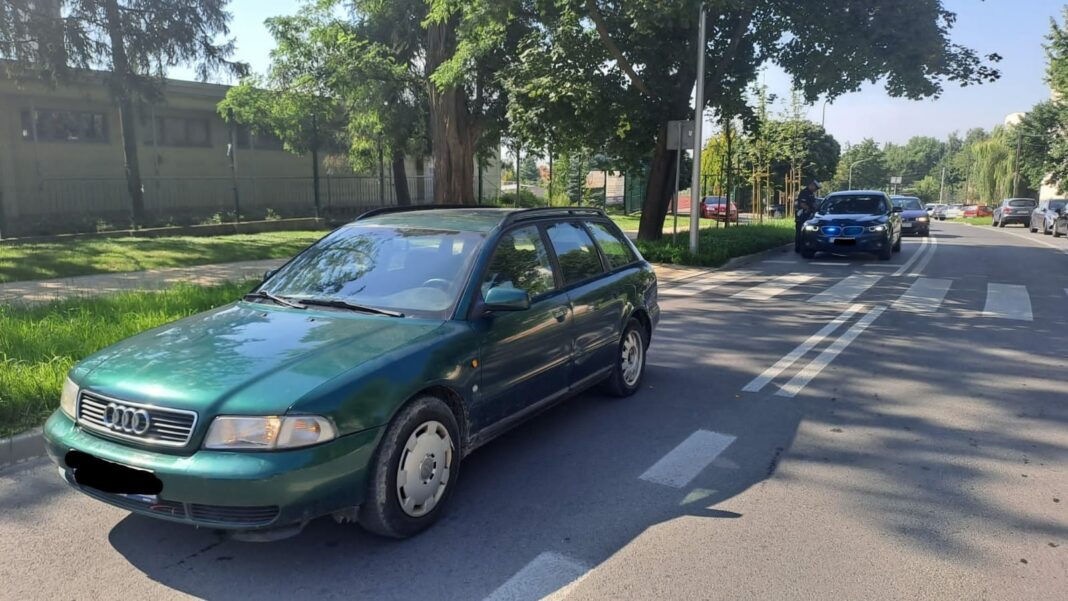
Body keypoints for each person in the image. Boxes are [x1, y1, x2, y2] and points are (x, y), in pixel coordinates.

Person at [794, 180, 821, 253]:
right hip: (802, 215)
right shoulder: (804, 193)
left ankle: (804, 246)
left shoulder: (811, 193)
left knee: (806, 232)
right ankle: (798, 248)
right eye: (816, 188)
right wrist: (810, 209)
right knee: (800, 231)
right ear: (811, 185)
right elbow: (802, 204)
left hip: (808, 215)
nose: (816, 190)